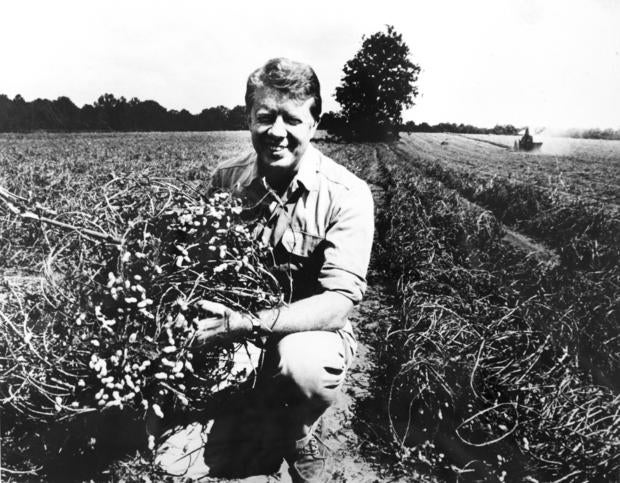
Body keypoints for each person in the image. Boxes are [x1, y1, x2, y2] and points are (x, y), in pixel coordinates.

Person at [157, 58, 374, 483]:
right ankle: (250, 419)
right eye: (264, 117)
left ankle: (296, 435)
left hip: (311, 335)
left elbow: (336, 305)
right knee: (170, 454)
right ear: (248, 119)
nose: (277, 132)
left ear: (314, 121)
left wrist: (245, 324)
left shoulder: (348, 195)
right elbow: (197, 269)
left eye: (292, 119)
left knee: (301, 365)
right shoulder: (226, 180)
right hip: (235, 330)